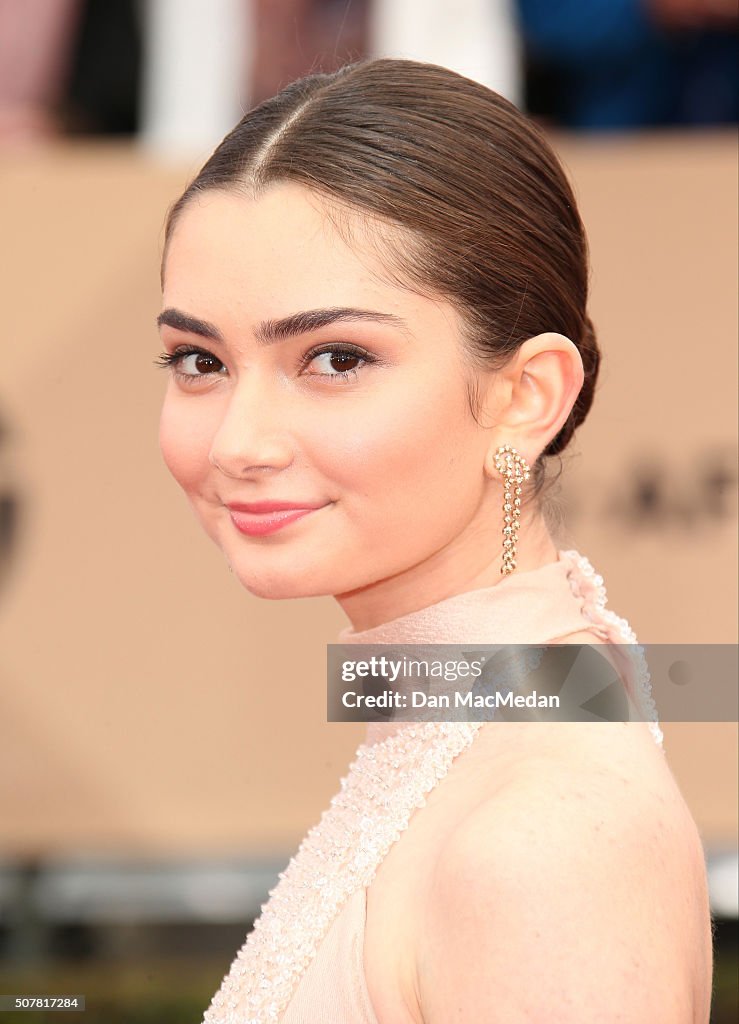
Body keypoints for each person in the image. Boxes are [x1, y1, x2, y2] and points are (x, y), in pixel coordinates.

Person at [154, 58, 713, 1022]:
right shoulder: (463, 745)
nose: (238, 443)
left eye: (335, 359)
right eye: (199, 361)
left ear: (524, 396)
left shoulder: (541, 841)